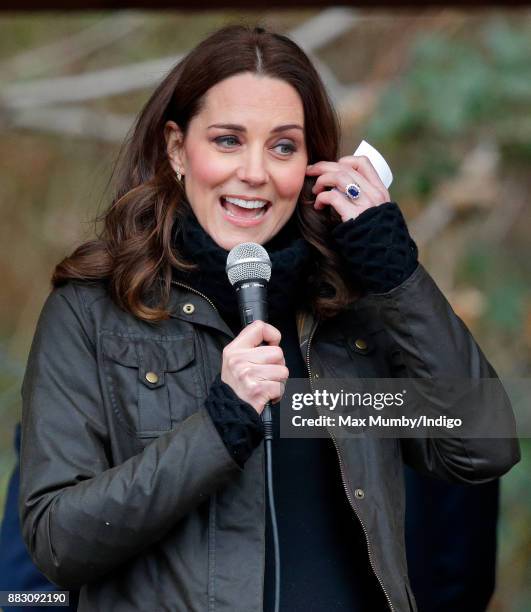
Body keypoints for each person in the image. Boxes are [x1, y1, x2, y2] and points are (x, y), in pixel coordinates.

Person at [19, 25, 519, 612]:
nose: (255, 172)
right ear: (178, 149)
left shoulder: (348, 315)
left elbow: (481, 447)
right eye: (228, 140)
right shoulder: (96, 314)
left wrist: (396, 274)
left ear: (311, 164)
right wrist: (218, 427)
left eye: (283, 146)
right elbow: (56, 541)